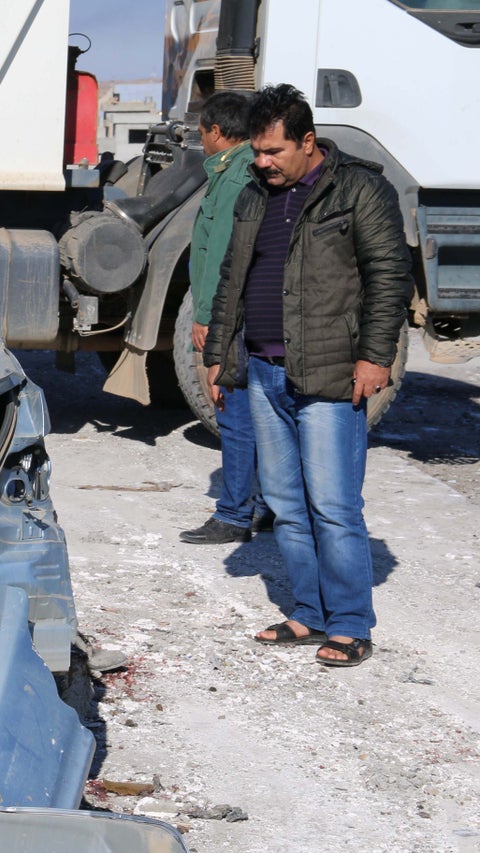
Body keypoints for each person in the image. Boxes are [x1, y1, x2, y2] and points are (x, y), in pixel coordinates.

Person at [202, 84, 412, 667]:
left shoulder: (359, 189)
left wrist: (375, 357)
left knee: (333, 505)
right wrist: (218, 356)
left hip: (330, 373)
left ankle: (350, 623)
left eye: (273, 152)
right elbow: (231, 282)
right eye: (257, 152)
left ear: (308, 142)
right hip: (264, 372)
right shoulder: (252, 195)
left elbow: (389, 277)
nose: (262, 163)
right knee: (286, 505)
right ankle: (311, 615)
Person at [179, 91, 271, 545]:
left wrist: (207, 316)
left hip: (234, 314)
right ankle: (271, 505)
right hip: (250, 310)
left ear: (216, 132)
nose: (202, 141)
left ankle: (235, 514)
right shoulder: (239, 169)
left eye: (202, 133)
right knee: (266, 414)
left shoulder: (234, 177)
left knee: (235, 412)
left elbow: (219, 255)